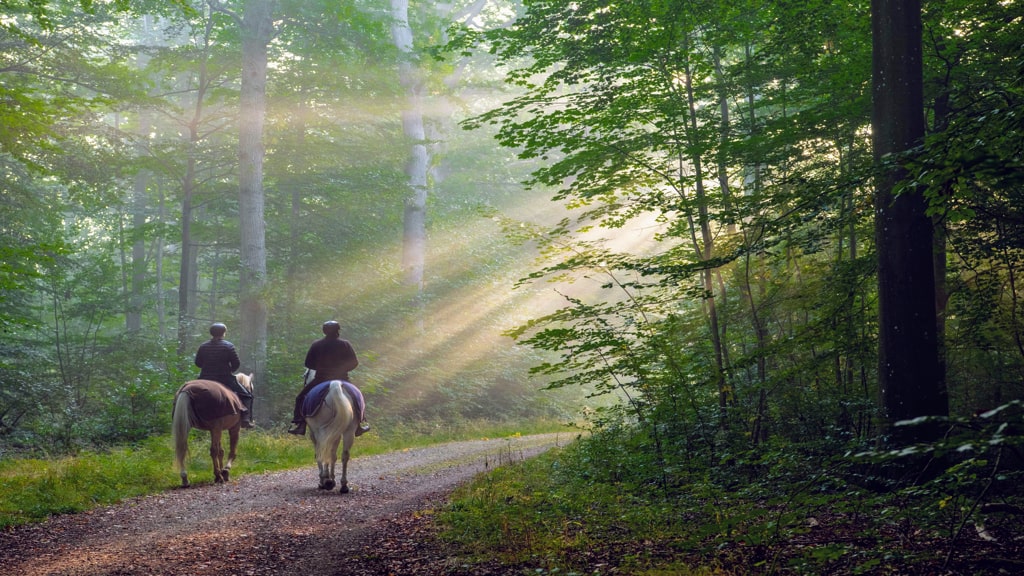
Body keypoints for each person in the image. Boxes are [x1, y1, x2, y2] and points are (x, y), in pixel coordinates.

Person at [288, 320, 370, 436]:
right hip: (342, 378)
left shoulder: (316, 344)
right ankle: (360, 424)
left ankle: (300, 424)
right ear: (338, 331)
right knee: (357, 396)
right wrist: (342, 369)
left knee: (300, 397)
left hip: (321, 379)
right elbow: (354, 363)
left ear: (324, 331)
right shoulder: (345, 344)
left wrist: (321, 367)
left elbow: (308, 364)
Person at [195, 322, 254, 428]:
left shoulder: (203, 346)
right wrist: (229, 370)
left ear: (211, 333)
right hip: (224, 378)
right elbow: (236, 363)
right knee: (247, 395)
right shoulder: (229, 346)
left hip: (205, 378)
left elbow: (198, 363)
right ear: (223, 333)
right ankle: (245, 419)